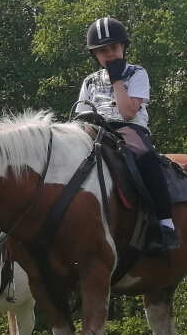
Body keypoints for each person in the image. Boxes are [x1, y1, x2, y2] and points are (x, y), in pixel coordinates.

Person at [72, 17, 179, 253]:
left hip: (128, 130)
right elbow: (80, 116)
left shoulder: (137, 73)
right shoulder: (89, 81)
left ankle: (165, 223)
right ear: (95, 55)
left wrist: (117, 80)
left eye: (113, 48)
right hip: (94, 131)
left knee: (147, 159)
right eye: (102, 50)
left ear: (124, 47)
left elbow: (129, 112)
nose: (109, 54)